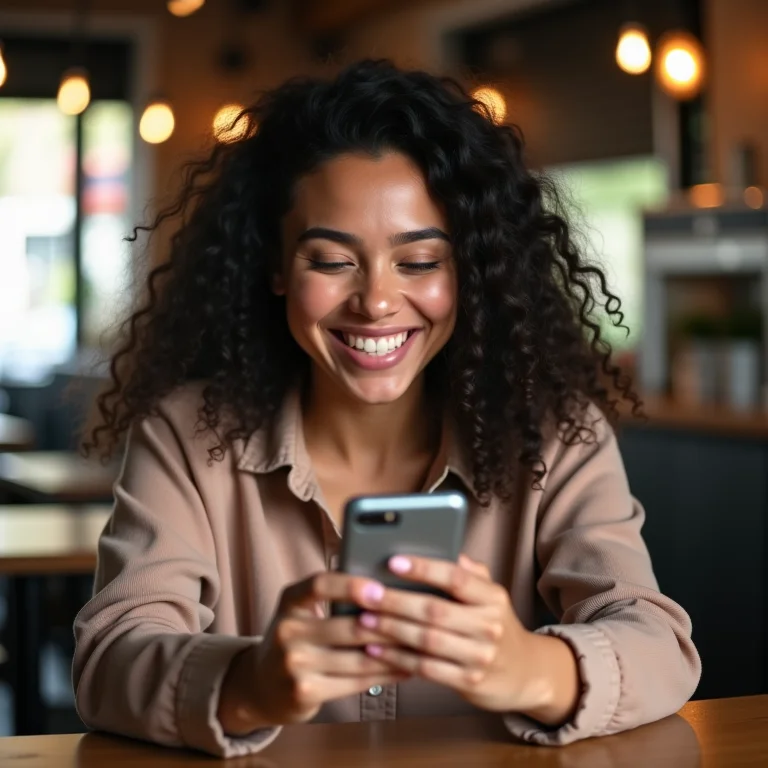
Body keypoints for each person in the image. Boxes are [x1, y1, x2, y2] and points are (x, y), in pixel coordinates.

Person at [72, 60, 700, 758]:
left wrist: (527, 668)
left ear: (471, 271)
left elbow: (658, 643)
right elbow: (109, 660)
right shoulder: (189, 433)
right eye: (331, 260)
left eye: (421, 261)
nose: (375, 301)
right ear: (276, 268)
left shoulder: (554, 433)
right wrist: (251, 682)